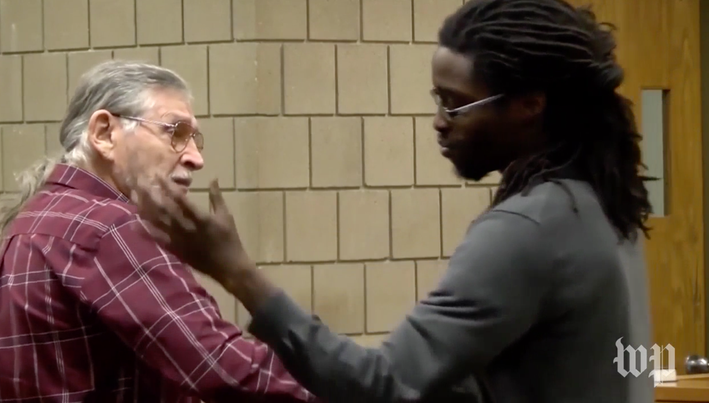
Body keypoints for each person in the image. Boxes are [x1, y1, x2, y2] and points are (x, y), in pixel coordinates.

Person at [131, 0, 656, 402]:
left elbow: (382, 386)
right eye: (438, 101)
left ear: (529, 105)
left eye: (456, 105)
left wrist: (238, 274)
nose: (439, 122)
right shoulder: (598, 202)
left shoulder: (530, 226)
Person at [0, 60, 315, 402]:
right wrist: (350, 384)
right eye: (175, 132)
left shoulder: (30, 219)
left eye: (194, 139)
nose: (195, 158)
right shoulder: (108, 230)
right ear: (104, 133)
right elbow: (220, 368)